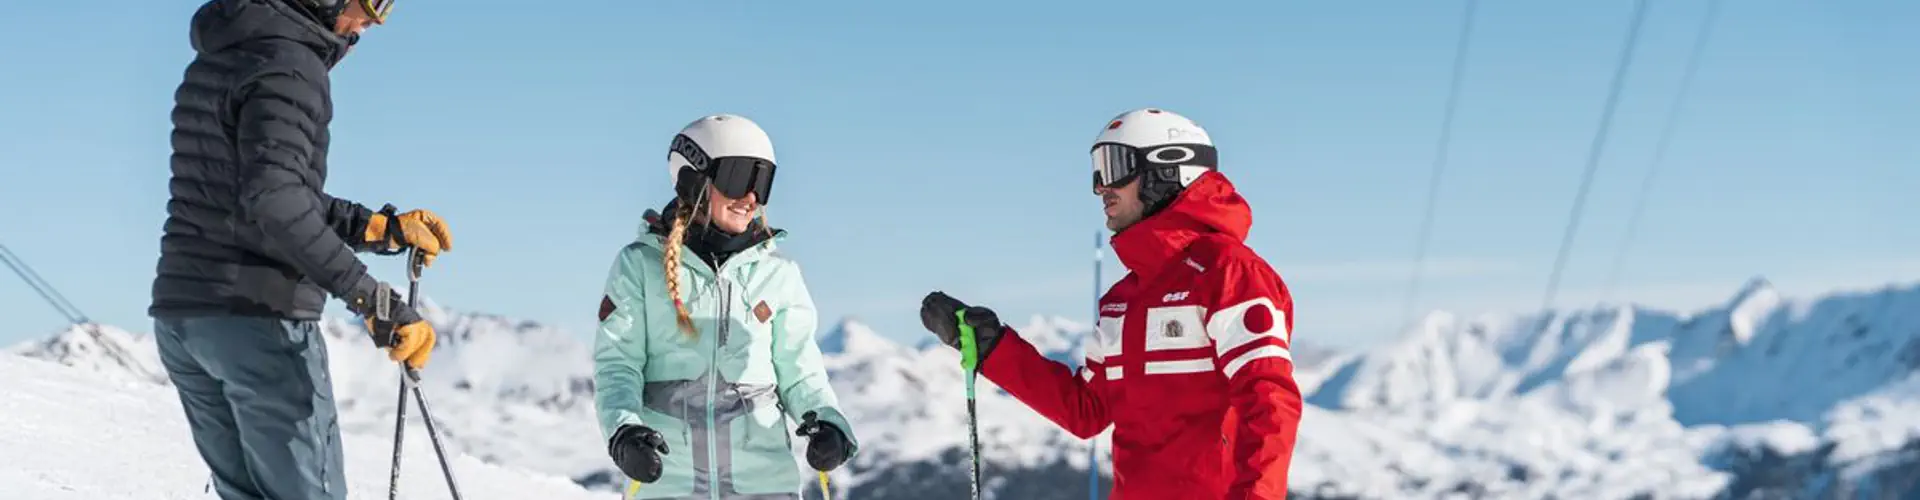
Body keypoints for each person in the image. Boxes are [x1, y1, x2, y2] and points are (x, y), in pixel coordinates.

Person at [919, 108, 1303, 499]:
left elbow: (1269, 401)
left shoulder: (1227, 273)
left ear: (1169, 170)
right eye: (1097, 171)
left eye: (1116, 166)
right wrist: (993, 347)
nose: (1101, 187)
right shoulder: (1123, 300)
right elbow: (1085, 411)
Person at [149, 0, 448, 498]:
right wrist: (371, 300)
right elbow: (275, 202)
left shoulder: (225, 52)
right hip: (258, 323)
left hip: (187, 318)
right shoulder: (291, 64)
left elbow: (260, 193)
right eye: (372, 3)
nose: (374, 22)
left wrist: (375, 227)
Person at [593, 114, 857, 499]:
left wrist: (829, 423)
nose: (750, 197)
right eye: (738, 178)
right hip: (669, 485)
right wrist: (624, 431)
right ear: (693, 179)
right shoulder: (640, 266)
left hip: (764, 487)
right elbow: (618, 365)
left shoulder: (778, 274)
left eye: (761, 181)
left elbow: (801, 373)